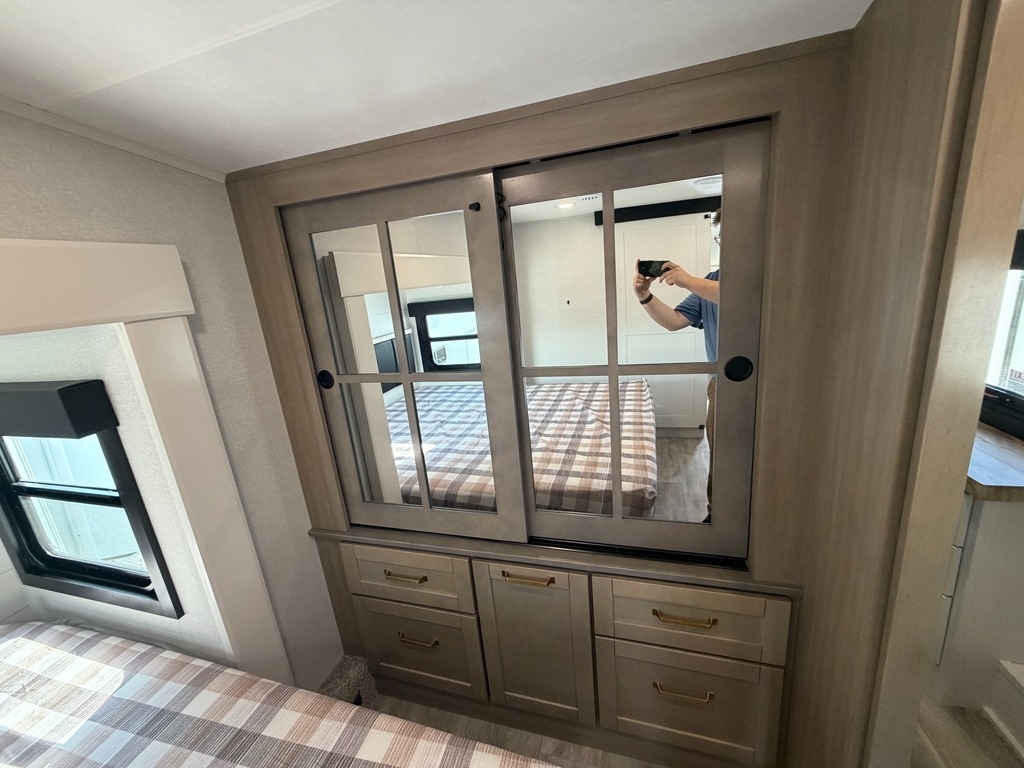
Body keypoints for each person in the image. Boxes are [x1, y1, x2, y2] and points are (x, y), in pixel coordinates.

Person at [632, 208, 720, 521]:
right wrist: (643, 295)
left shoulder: (763, 273)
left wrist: (688, 280)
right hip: (722, 382)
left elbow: (744, 296)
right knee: (721, 452)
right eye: (721, 238)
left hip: (769, 381)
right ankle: (717, 514)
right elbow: (673, 320)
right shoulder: (711, 281)